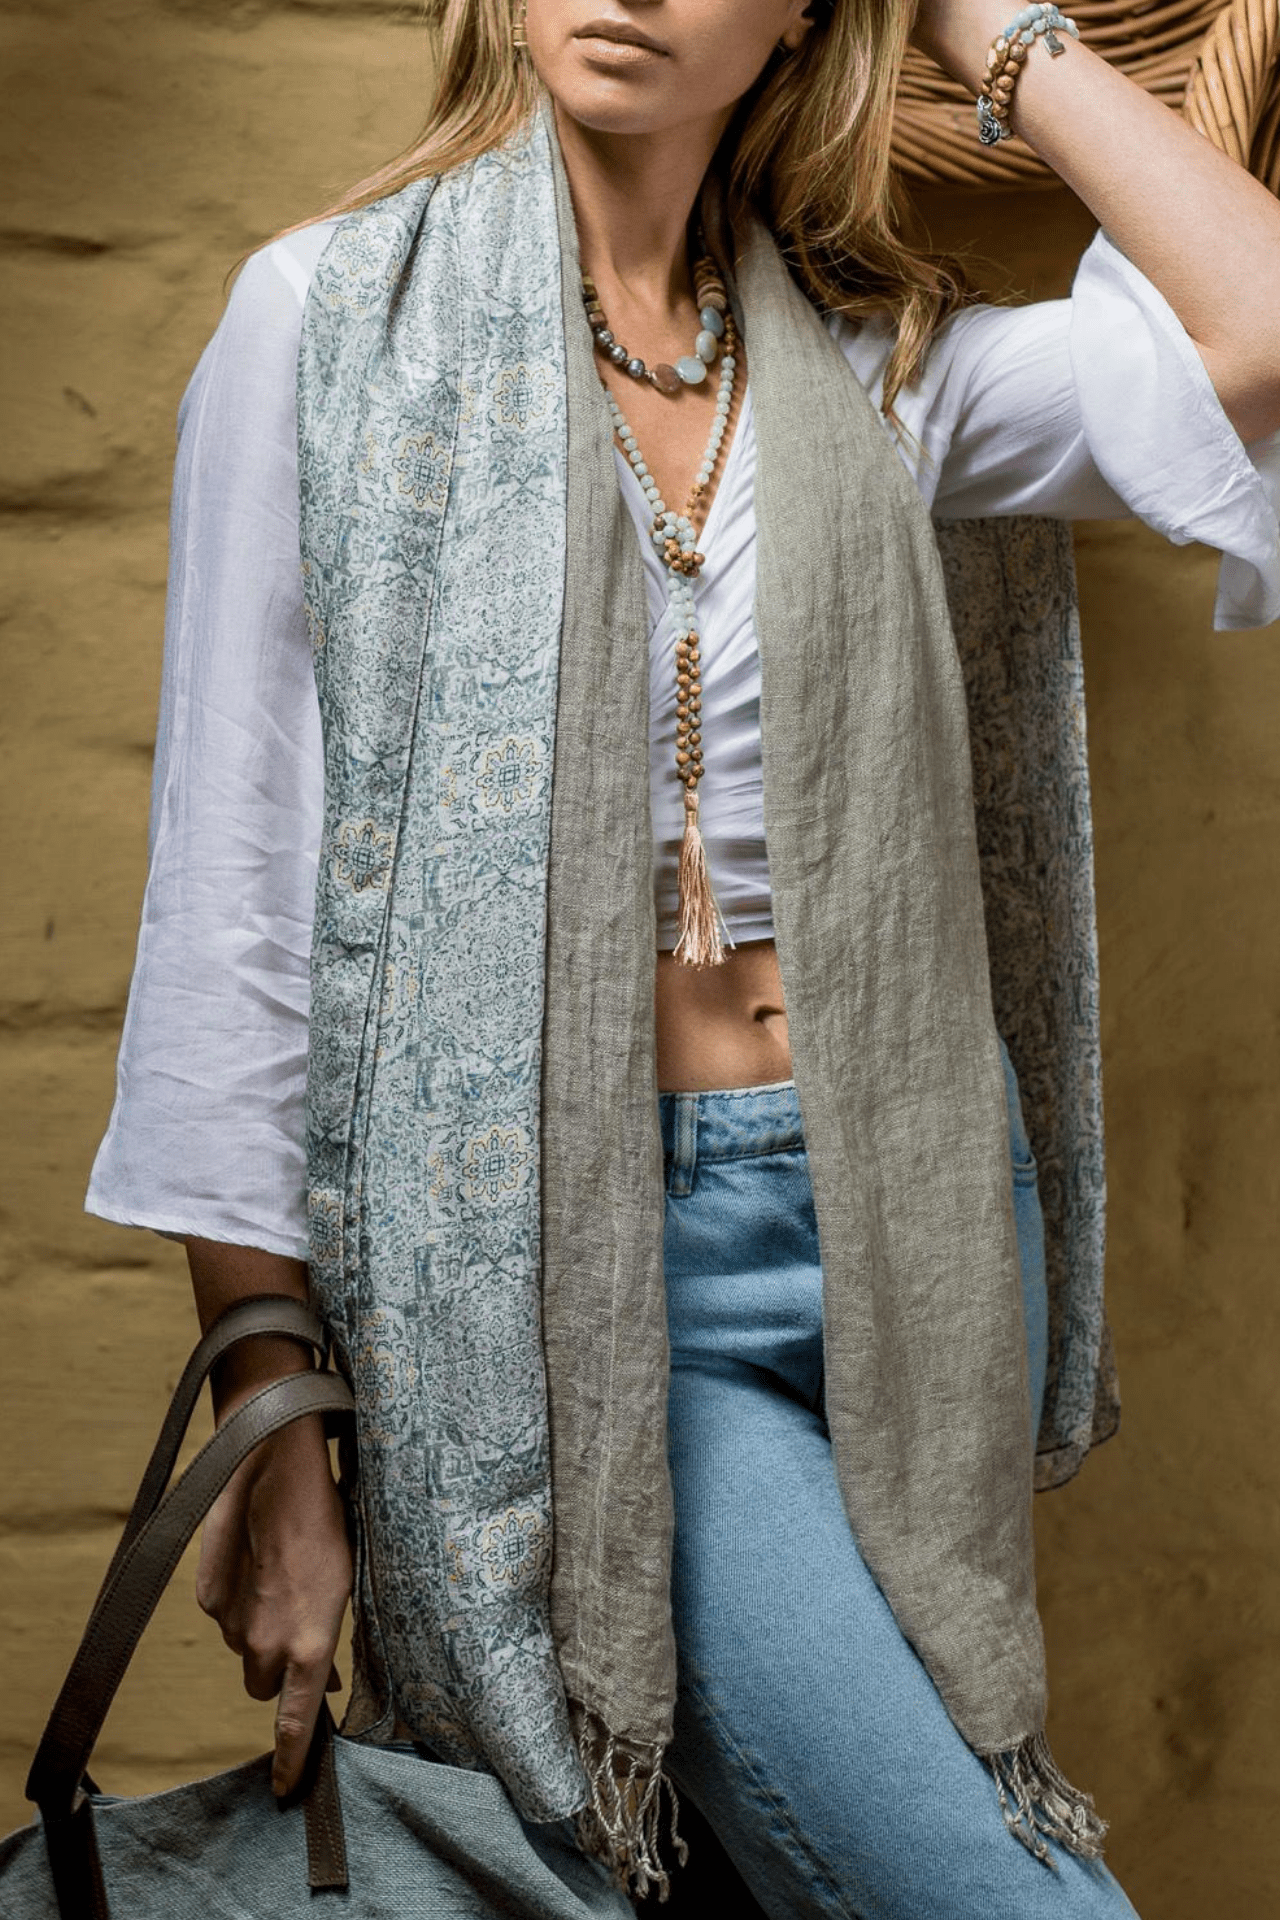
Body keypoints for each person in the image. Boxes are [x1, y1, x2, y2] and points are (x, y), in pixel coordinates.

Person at [85, 1, 1280, 1915]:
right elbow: (234, 916)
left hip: (919, 1235)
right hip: (595, 1294)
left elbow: (1262, 332)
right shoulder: (327, 325)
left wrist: (997, 28)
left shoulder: (888, 369)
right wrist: (270, 1418)